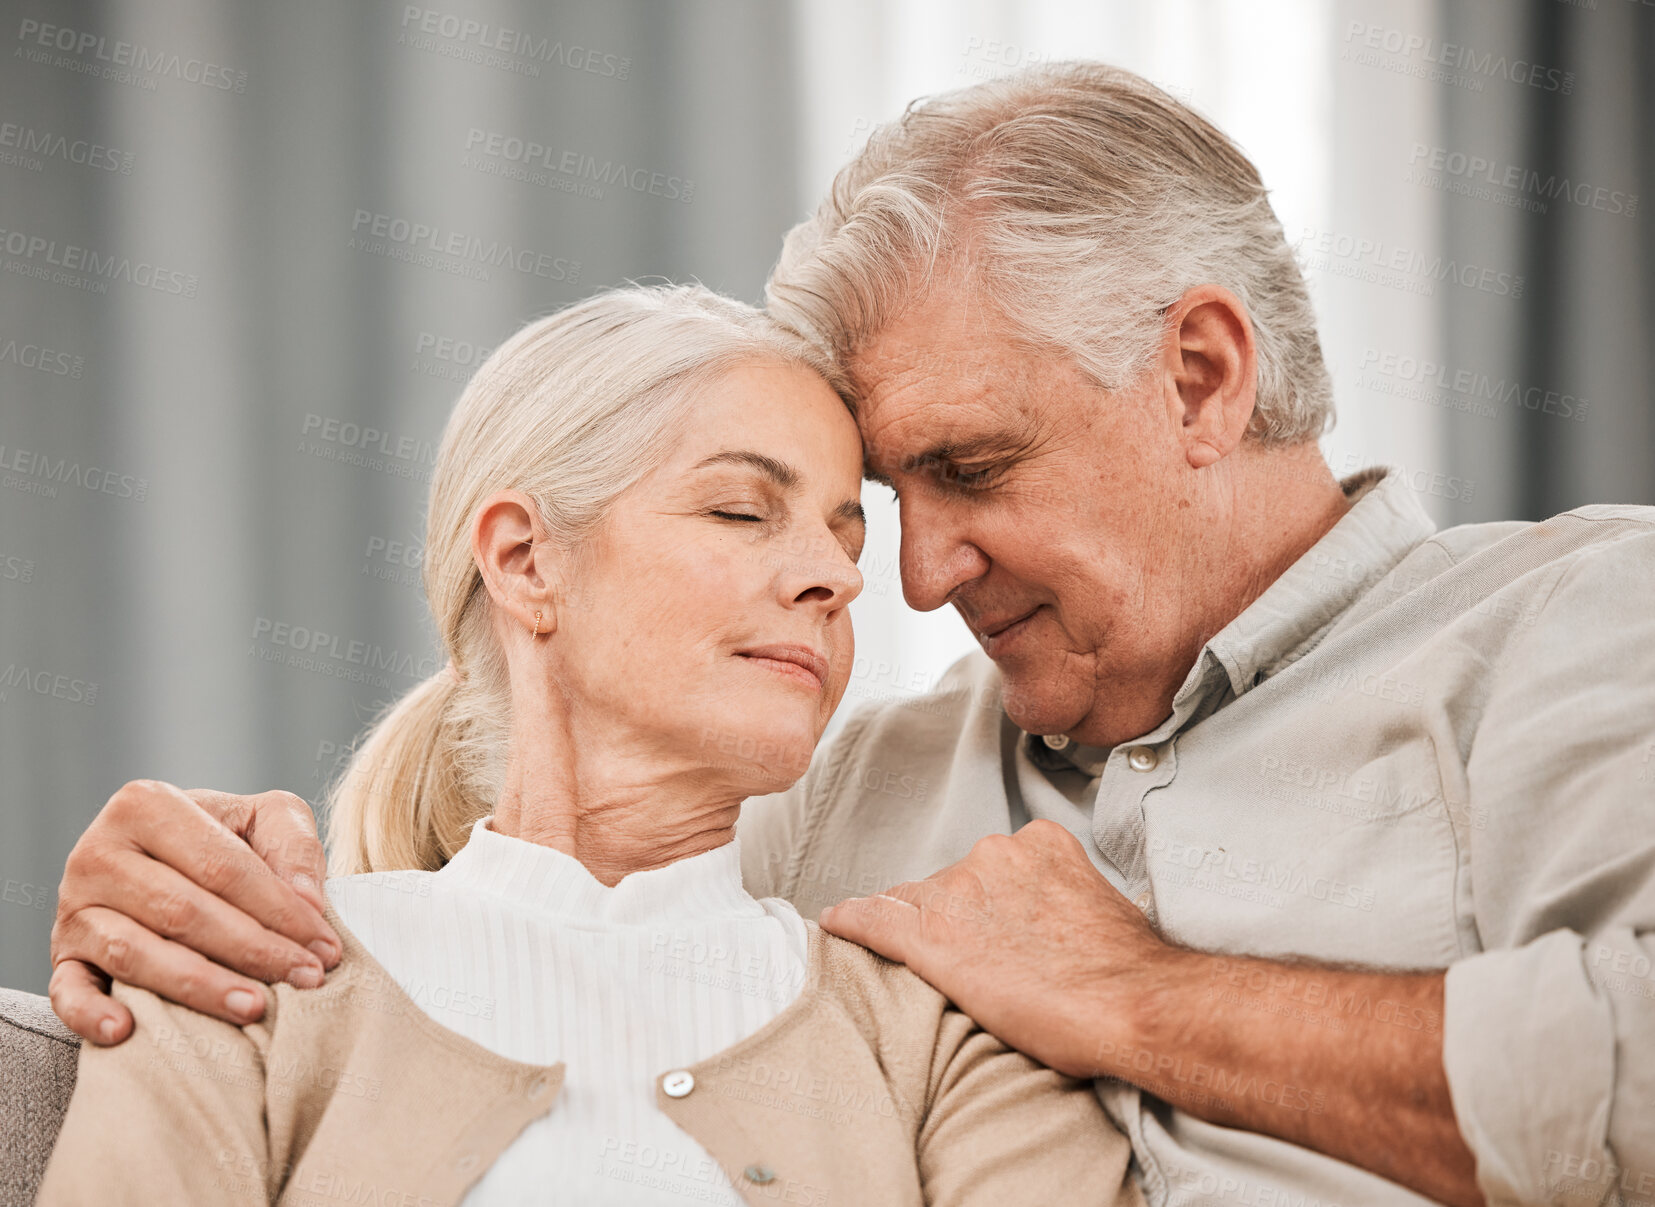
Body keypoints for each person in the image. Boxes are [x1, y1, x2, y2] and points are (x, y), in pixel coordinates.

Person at [49, 63, 1655, 1207]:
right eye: (878, 501)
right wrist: (174, 885)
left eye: (965, 469)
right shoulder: (832, 793)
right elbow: (554, 879)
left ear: (1199, 377)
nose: (908, 578)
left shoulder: (1575, 624)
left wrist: (1141, 995)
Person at [37, 284, 1141, 1206]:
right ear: (524, 562)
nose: (838, 575)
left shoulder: (946, 1034)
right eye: (741, 512)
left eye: (845, 532)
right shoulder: (234, 974)